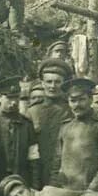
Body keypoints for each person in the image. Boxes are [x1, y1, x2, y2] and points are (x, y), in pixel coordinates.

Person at [26, 59, 72, 188]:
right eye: (49, 81)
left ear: (64, 83)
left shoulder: (71, 110)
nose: (52, 86)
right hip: (37, 173)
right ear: (42, 83)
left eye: (57, 82)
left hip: (66, 174)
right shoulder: (32, 111)